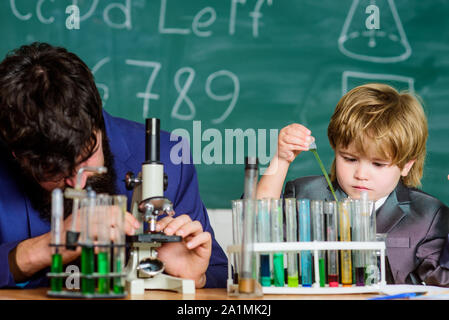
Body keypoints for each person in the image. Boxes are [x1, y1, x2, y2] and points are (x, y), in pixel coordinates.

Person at [0, 42, 228, 289]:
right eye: (53, 171)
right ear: (17, 154)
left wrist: (194, 278)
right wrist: (45, 248)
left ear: (98, 122)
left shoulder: (169, 155)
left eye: (87, 157)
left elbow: (218, 271)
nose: (80, 181)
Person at [257, 83, 449, 286]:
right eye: (349, 159)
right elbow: (255, 227)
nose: (361, 174)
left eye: (378, 164)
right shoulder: (306, 194)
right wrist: (281, 160)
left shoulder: (428, 215)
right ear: (335, 147)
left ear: (406, 165)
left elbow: (443, 279)